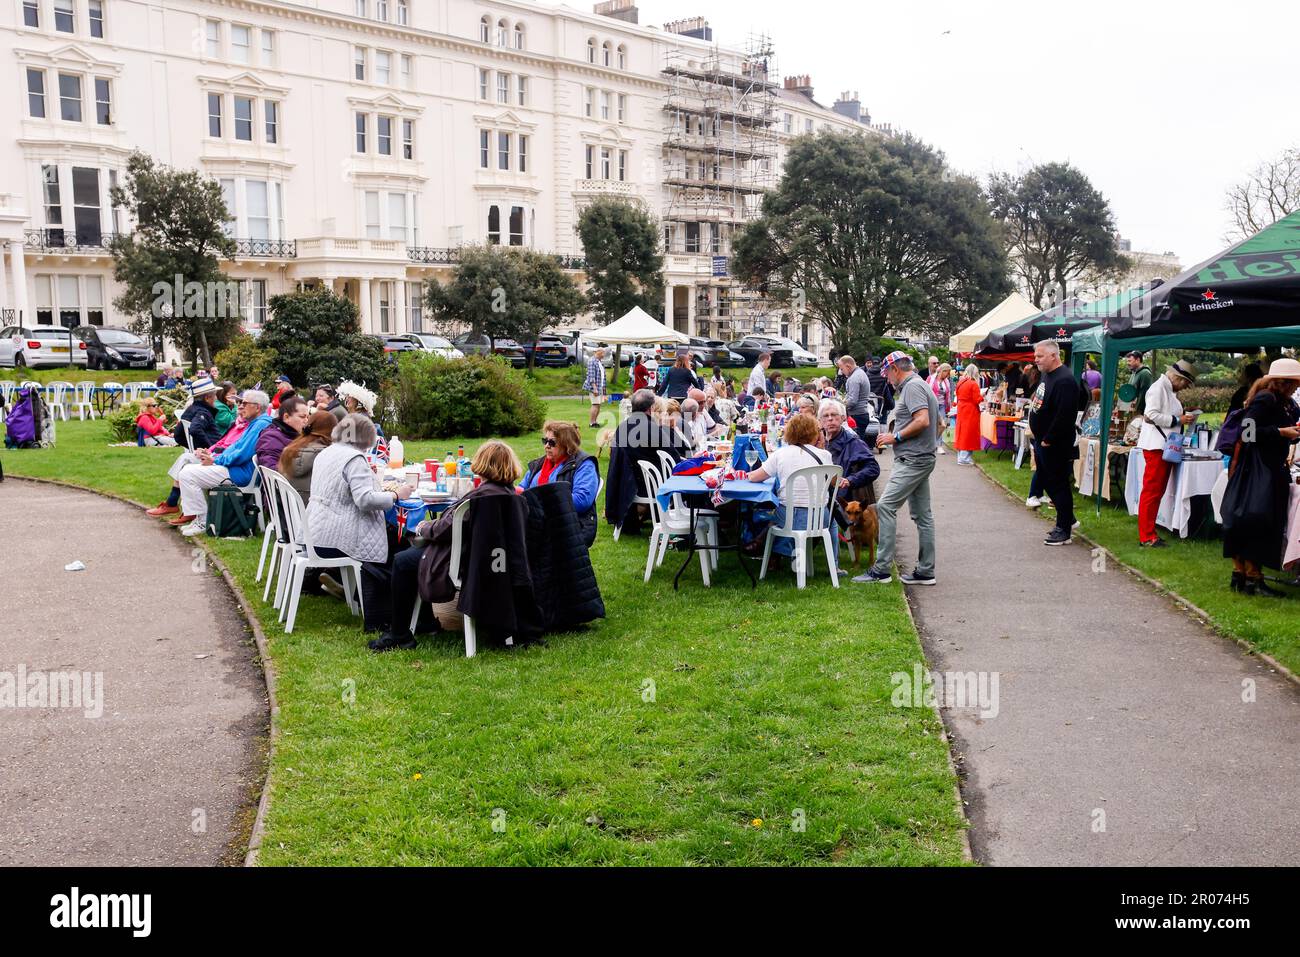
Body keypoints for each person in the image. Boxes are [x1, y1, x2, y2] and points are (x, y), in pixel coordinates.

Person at [367, 441, 522, 653]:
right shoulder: (512, 496)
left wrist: (423, 527)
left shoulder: (479, 498)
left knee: (403, 560)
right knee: (413, 556)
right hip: (495, 564)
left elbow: (444, 529)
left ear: (482, 464)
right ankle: (426, 622)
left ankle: (400, 633)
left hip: (465, 562)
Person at [854, 351, 939, 585]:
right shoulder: (921, 384)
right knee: (923, 516)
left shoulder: (912, 387)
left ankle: (880, 569)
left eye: (888, 374)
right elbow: (939, 425)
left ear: (895, 370)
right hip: (921, 457)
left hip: (913, 460)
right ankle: (925, 571)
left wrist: (896, 437)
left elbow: (923, 420)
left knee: (885, 507)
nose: (888, 379)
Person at [1221, 358, 1300, 595]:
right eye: (1295, 383)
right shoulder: (1267, 398)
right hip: (1259, 468)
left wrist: (1292, 434)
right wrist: (1281, 432)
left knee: (1251, 520)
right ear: (1284, 382)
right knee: (1258, 520)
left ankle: (1244, 576)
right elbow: (1247, 432)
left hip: (1269, 466)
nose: (1297, 387)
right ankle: (1252, 578)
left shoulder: (1284, 402)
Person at [306, 413, 413, 564]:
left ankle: (341, 582)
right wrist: (396, 494)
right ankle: (372, 585)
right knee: (399, 542)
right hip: (338, 540)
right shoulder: (354, 458)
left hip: (314, 533)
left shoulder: (326, 452)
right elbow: (365, 500)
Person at [169, 390, 274, 536]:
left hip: (241, 473)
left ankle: (202, 521)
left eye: (244, 403)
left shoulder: (260, 424)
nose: (240, 406)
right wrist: (214, 457)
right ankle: (198, 518)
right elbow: (235, 448)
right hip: (236, 469)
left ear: (257, 407)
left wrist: (215, 460)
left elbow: (242, 454)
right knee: (187, 469)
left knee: (187, 474)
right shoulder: (256, 423)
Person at [746, 413, 838, 573]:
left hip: (791, 517)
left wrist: (744, 474)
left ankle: (765, 548)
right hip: (820, 519)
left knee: (772, 516)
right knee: (781, 516)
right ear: (814, 433)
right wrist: (821, 449)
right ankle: (789, 557)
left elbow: (755, 477)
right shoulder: (825, 455)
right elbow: (835, 482)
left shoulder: (781, 453)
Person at [605, 388, 688, 535]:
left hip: (626, 483)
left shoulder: (622, 427)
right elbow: (674, 459)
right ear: (650, 408)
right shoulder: (653, 428)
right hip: (648, 485)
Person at [1028, 341, 1087, 547]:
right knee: (1048, 481)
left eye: (1040, 356)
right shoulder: (1047, 375)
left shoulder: (1065, 380)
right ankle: (1067, 519)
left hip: (1054, 443)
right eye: (1035, 356)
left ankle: (1064, 530)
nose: (1036, 360)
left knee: (1058, 484)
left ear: (1054, 355)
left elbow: (1065, 415)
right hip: (1042, 439)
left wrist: (1048, 438)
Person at [1135, 358, 1198, 548]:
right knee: (1152, 492)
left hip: (1162, 446)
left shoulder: (1166, 388)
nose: (1185, 387)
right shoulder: (1158, 388)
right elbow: (1150, 415)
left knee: (1155, 492)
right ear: (1177, 378)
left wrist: (1182, 415)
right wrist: (1178, 419)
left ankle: (1149, 533)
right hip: (1156, 447)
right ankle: (1146, 536)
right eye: (1185, 383)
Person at [520, 420, 601, 546]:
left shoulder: (584, 465)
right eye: (545, 441)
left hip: (567, 527)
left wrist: (539, 502)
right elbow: (522, 488)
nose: (546, 446)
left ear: (567, 445)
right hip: (537, 522)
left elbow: (581, 501)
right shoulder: (540, 464)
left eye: (552, 442)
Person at [818, 399, 879, 503]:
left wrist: (850, 480)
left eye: (834, 415)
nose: (830, 419)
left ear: (843, 418)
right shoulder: (816, 441)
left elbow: (873, 468)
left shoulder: (853, 442)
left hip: (843, 500)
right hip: (820, 496)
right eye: (825, 416)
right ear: (820, 421)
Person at [278, 410, 336, 506]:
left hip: (287, 512)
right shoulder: (327, 455)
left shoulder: (289, 449)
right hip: (315, 514)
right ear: (333, 431)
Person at [256, 394, 308, 471]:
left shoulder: (292, 434)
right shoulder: (271, 437)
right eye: (302, 417)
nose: (306, 421)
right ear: (286, 417)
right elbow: (270, 469)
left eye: (307, 417)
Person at [953, 363, 983, 465]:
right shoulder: (973, 383)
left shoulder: (961, 382)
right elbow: (977, 399)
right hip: (970, 410)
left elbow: (957, 394)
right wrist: (982, 396)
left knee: (961, 432)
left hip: (961, 408)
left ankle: (961, 456)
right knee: (969, 433)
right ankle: (964, 458)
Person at [838, 355, 872, 440]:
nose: (841, 372)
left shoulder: (854, 378)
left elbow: (852, 400)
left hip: (857, 416)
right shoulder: (860, 373)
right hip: (861, 414)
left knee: (855, 446)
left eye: (842, 369)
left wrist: (839, 407)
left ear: (848, 366)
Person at [930, 362, 954, 454]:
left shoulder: (947, 381)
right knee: (934, 425)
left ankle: (939, 445)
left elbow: (949, 394)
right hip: (932, 404)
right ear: (942, 371)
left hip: (942, 405)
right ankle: (932, 444)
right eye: (947, 372)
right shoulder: (931, 379)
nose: (948, 375)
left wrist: (949, 406)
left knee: (942, 425)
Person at [583, 348, 607, 427]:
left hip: (600, 386)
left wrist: (604, 391)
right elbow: (591, 376)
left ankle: (595, 422)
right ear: (599, 352)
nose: (604, 355)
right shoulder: (592, 361)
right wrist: (594, 388)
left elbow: (603, 376)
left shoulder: (599, 362)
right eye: (603, 353)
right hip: (595, 387)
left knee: (598, 405)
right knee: (595, 404)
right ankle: (591, 423)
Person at [1126, 351, 1154, 417]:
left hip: (1140, 413)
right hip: (1131, 410)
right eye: (1127, 361)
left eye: (1130, 361)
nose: (1128, 363)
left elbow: (1144, 394)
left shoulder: (1145, 373)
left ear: (1138, 360)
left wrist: (1137, 412)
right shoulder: (1134, 373)